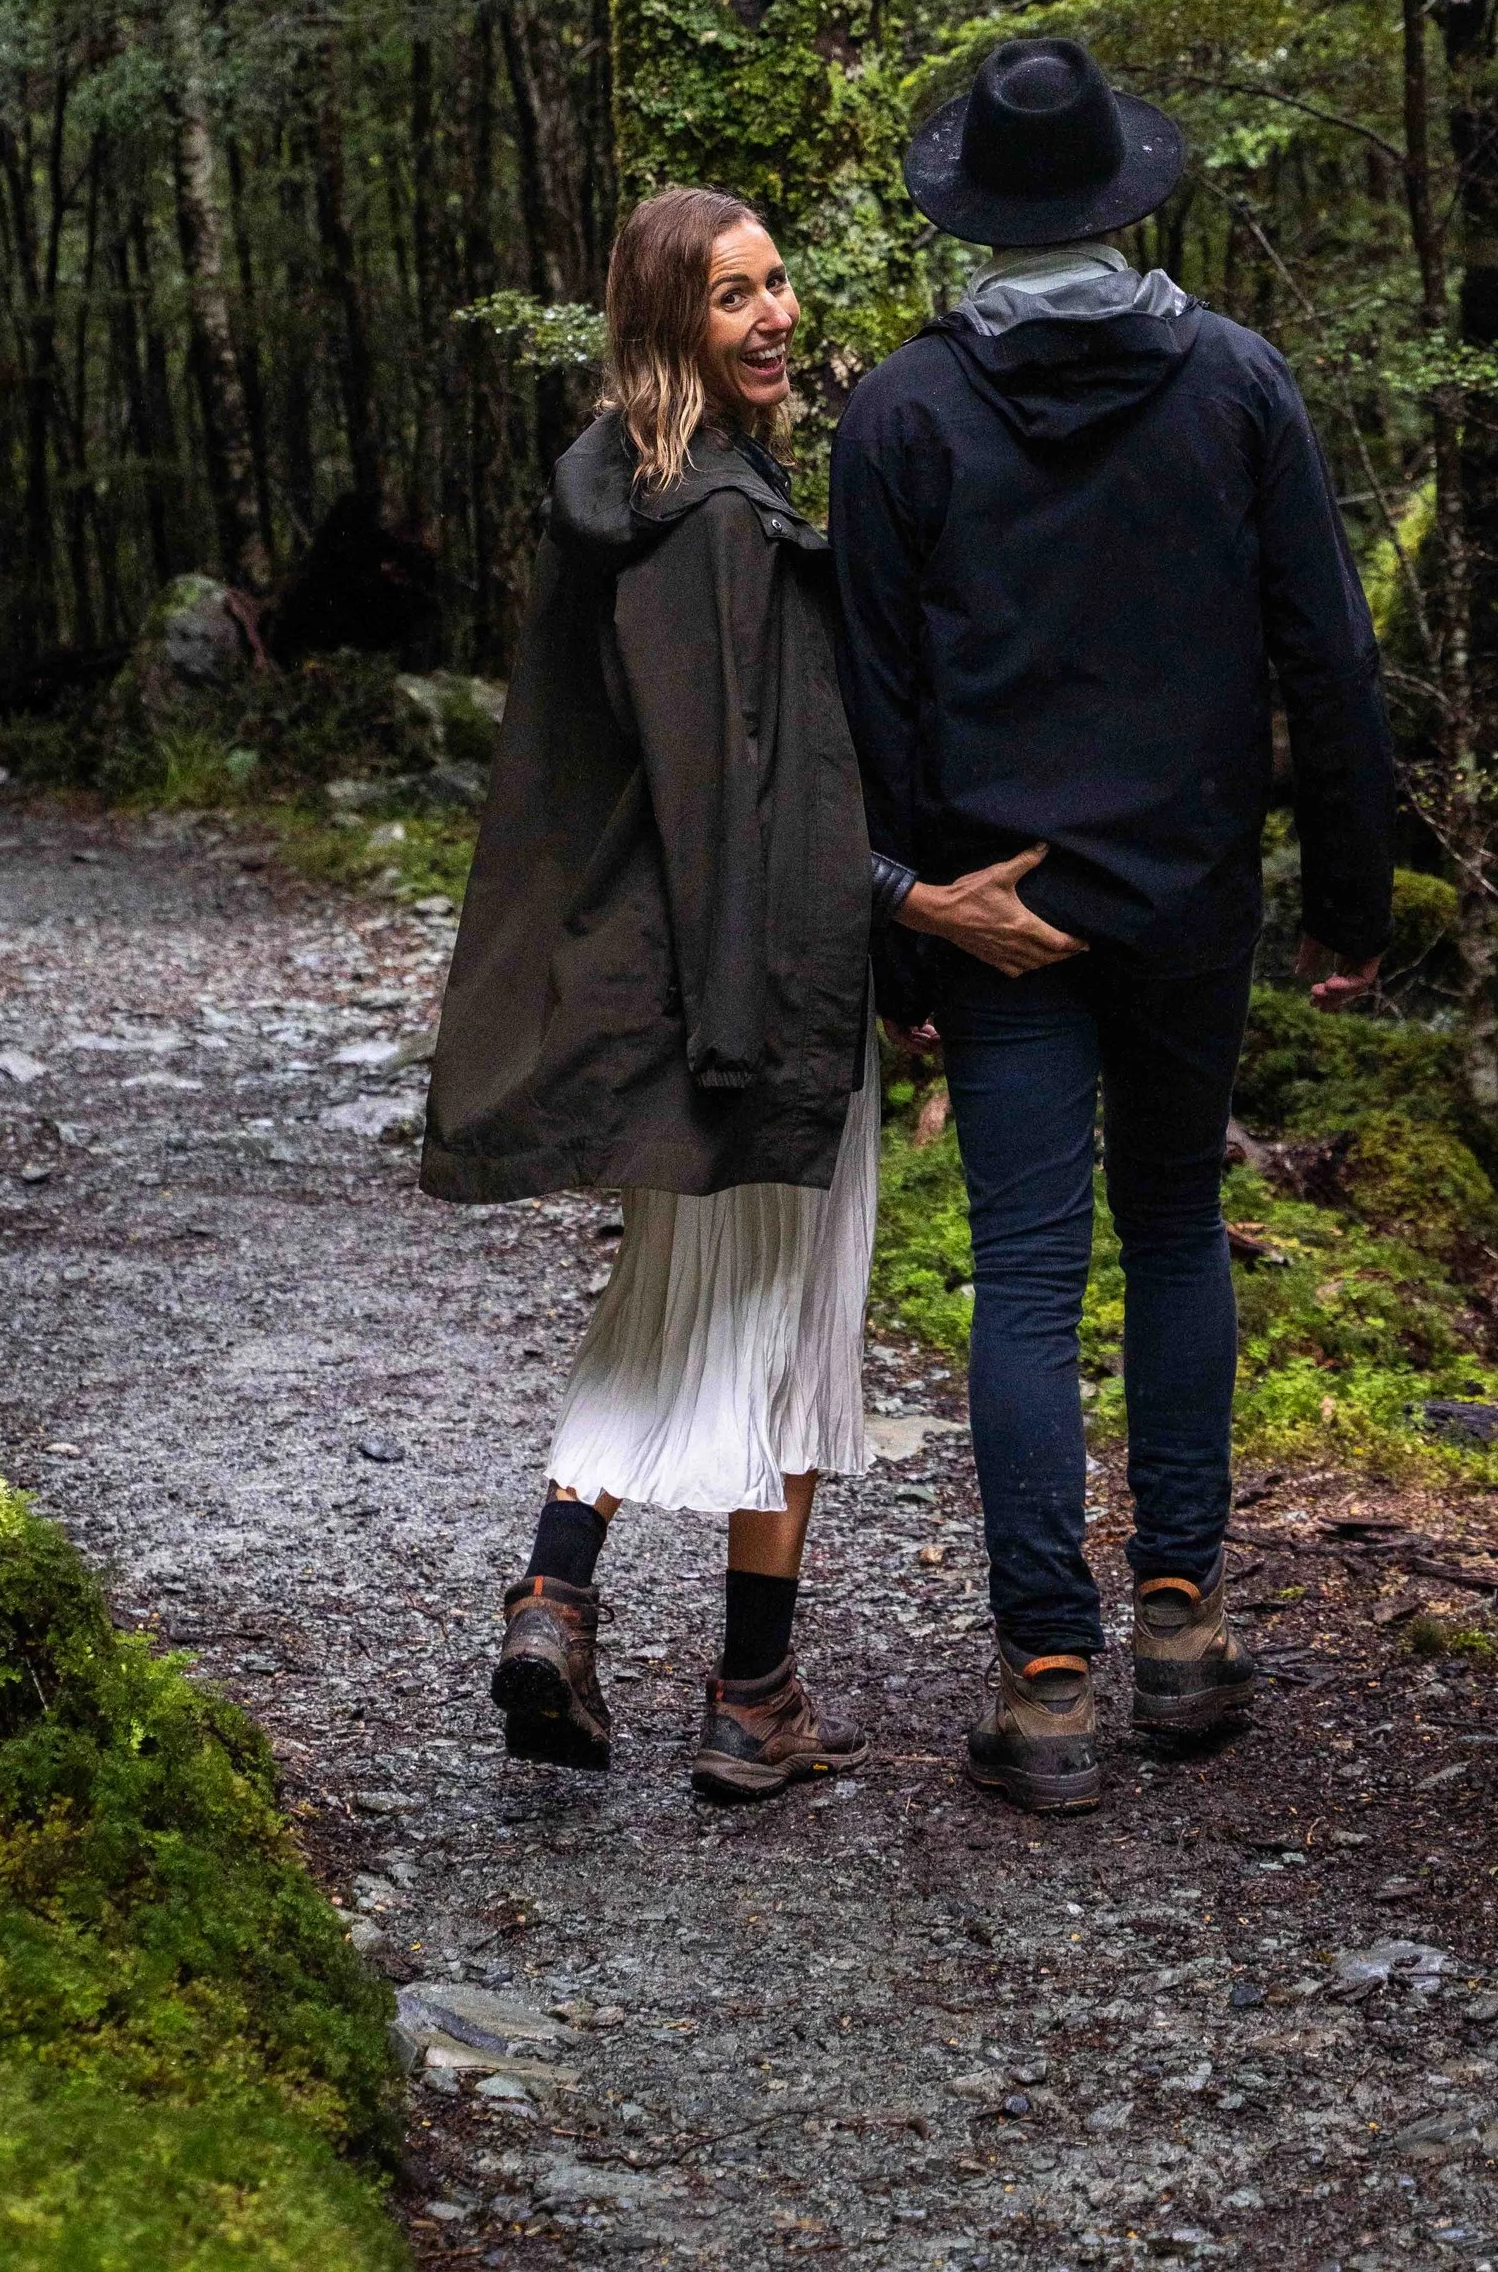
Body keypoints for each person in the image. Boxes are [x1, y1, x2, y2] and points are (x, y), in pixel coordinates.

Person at [423, 185, 1073, 1804]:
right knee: (770, 1319)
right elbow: (750, 803)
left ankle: (611, 1621)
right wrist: (911, 912)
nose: (774, 315)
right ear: (668, 329)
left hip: (697, 989)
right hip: (744, 997)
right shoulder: (711, 522)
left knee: (710, 1308)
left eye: (779, 283)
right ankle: (701, 1666)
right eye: (731, 298)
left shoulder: (650, 499)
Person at [830, 38, 1395, 1815]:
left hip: (1000, 916)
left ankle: (1051, 1679)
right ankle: (1178, 1615)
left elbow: (876, 705)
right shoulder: (1237, 384)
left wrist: (912, 935)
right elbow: (1332, 658)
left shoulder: (902, 412)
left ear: (977, 212)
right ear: (1124, 194)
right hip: (1188, 902)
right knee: (1173, 1226)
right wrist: (1352, 894)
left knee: (1021, 1274)